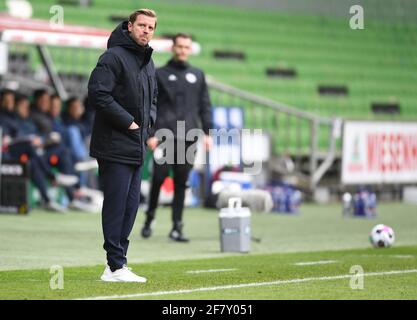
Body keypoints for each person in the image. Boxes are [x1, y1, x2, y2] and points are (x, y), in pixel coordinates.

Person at [88, 9, 157, 282]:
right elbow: (98, 93)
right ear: (130, 26)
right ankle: (115, 265)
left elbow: (153, 100)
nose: (146, 31)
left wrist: (147, 125)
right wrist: (129, 123)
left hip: (137, 146)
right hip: (114, 144)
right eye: (141, 25)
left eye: (151, 27)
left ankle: (116, 265)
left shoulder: (148, 62)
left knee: (130, 208)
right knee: (117, 206)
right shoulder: (112, 57)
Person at [141, 33, 213, 242]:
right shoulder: (159, 73)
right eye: (179, 46)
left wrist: (207, 132)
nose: (182, 50)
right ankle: (149, 219)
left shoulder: (198, 75)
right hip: (164, 135)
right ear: (173, 48)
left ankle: (176, 227)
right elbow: (151, 105)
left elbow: (205, 106)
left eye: (186, 47)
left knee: (182, 182)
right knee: (159, 177)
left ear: (190, 50)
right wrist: (151, 133)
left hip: (189, 136)